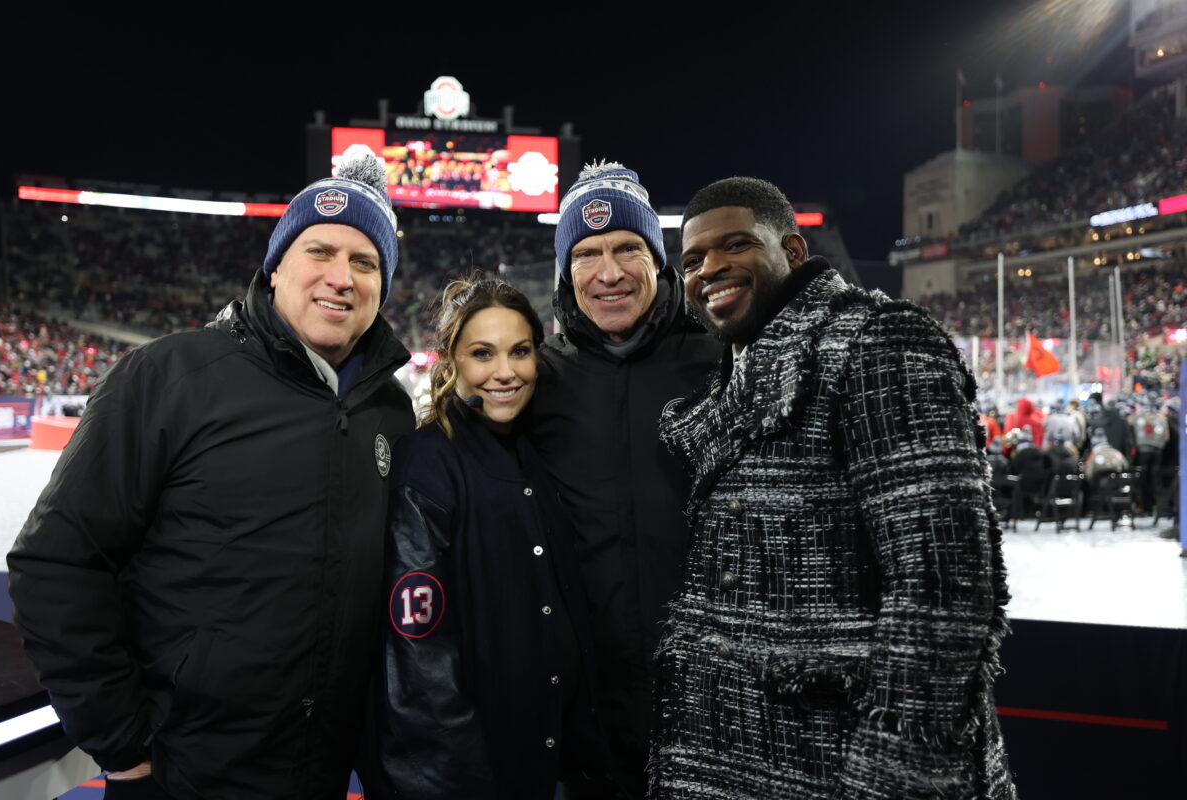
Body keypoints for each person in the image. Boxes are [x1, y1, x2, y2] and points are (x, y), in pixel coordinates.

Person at [7, 154, 416, 799]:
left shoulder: (389, 411)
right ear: (276, 266)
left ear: (383, 287)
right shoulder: (167, 376)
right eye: (319, 252)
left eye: (365, 263)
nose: (340, 278)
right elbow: (56, 561)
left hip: (320, 772)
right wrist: (123, 744)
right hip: (181, 772)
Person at [650, 177, 1016, 799]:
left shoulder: (879, 342)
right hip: (740, 764)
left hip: (835, 767)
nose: (709, 269)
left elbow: (943, 585)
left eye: (735, 245)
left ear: (792, 251)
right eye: (691, 260)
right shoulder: (733, 375)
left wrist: (892, 779)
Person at [527, 161, 722, 798]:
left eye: (627, 249)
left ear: (658, 261)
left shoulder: (722, 361)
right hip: (587, 721)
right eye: (586, 254)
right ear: (566, 271)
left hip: (715, 711)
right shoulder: (535, 381)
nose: (608, 273)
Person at [376, 277, 602, 799]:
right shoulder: (426, 463)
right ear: (451, 362)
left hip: (553, 762)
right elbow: (420, 662)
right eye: (483, 354)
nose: (506, 372)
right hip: (479, 774)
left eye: (520, 351)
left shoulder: (535, 452)